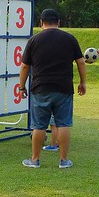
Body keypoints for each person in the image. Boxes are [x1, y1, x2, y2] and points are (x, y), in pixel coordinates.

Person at [19, 9, 86, 169]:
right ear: (59, 22)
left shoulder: (34, 40)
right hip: (64, 87)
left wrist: (21, 87)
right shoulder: (69, 38)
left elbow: (25, 66)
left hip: (40, 87)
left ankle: (35, 159)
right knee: (63, 123)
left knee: (39, 125)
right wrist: (83, 82)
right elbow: (81, 62)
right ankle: (64, 160)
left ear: (41, 22)